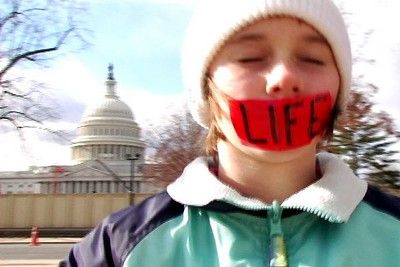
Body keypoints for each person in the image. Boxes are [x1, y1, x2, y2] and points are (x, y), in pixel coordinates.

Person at [61, 0, 400, 266]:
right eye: (250, 57)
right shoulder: (118, 249)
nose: (283, 77)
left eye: (312, 58)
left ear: (340, 87)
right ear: (204, 91)